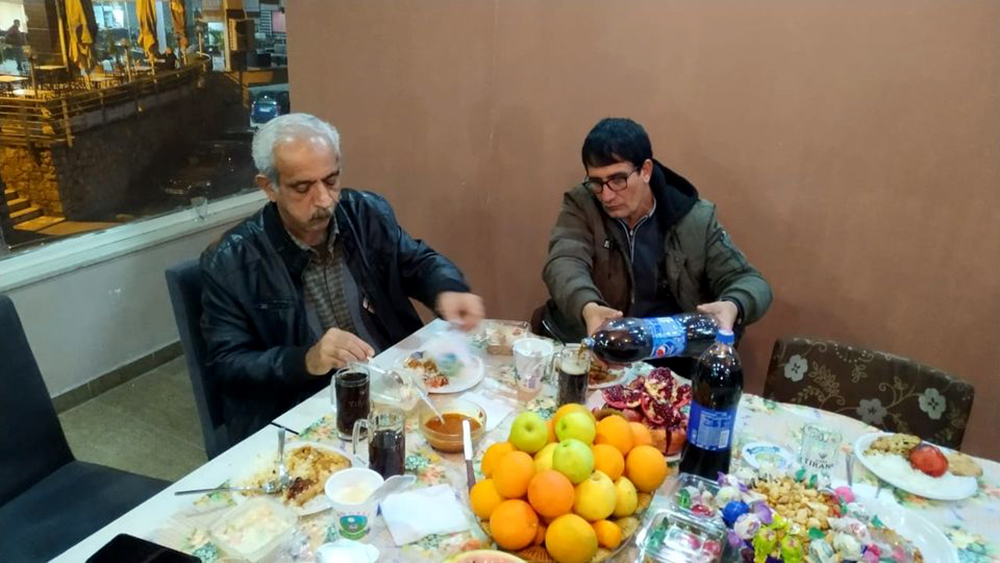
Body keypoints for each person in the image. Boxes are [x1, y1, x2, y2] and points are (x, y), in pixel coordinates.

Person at [201, 113, 485, 442]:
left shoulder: (364, 212)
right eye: (302, 188)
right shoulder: (232, 261)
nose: (324, 200)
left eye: (331, 181)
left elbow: (417, 261)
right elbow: (228, 365)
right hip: (307, 405)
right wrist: (306, 360)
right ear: (269, 188)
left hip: (391, 385)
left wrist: (446, 288)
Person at [540, 117, 772, 373]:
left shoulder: (694, 219)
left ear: (646, 171)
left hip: (666, 363)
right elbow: (564, 262)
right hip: (594, 351)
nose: (606, 195)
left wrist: (732, 306)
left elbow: (750, 281)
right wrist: (589, 308)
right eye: (596, 182)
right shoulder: (582, 204)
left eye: (618, 180)